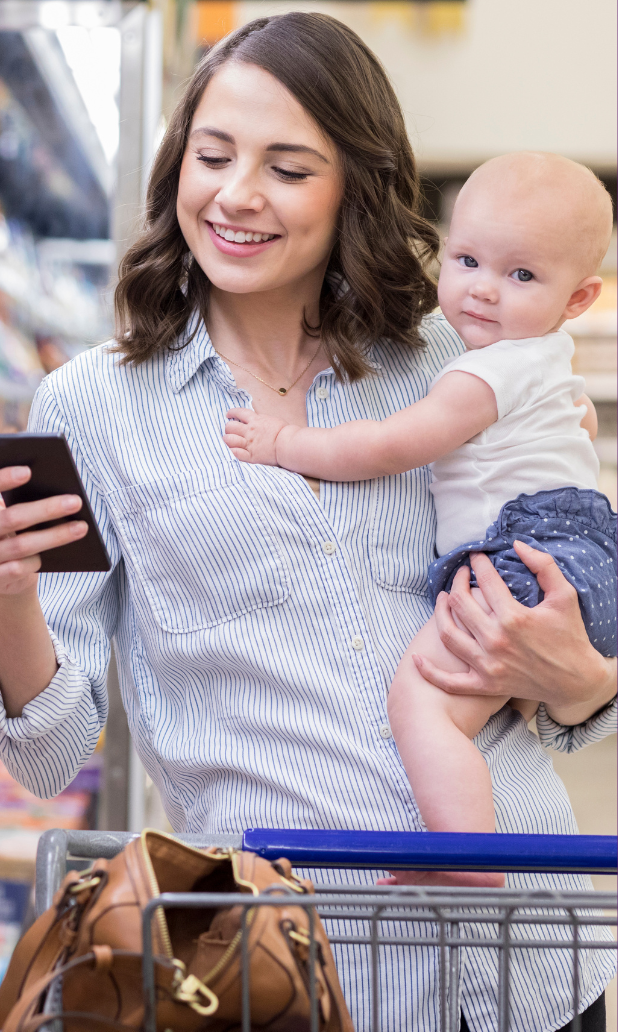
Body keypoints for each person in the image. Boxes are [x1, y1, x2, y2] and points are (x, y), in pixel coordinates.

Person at [0, 13, 617, 1032]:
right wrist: (11, 594)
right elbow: (46, 753)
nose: (236, 195)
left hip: (531, 955)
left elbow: (567, 655)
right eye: (213, 157)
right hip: (298, 984)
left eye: (288, 167)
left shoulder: (450, 361)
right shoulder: (91, 407)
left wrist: (587, 681)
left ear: (353, 185)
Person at [221, 152, 616, 886]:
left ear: (578, 299)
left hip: (526, 557)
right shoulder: (542, 361)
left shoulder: (485, 371)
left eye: (522, 276)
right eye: (467, 259)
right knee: (469, 715)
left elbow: (390, 444)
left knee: (421, 705)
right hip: (574, 554)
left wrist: (285, 443)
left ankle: (465, 861)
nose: (483, 291)